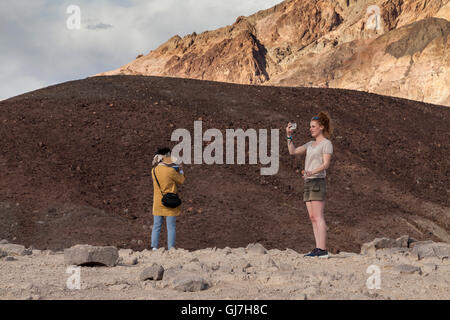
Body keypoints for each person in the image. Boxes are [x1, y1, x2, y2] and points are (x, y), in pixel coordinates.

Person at [286, 112, 333, 258]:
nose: (310, 129)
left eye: (313, 126)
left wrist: (312, 172)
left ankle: (323, 249)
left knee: (318, 216)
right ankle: (317, 248)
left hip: (317, 180)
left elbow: (326, 164)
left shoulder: (326, 144)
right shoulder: (310, 144)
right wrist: (289, 135)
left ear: (321, 127)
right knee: (312, 217)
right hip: (308, 181)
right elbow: (292, 151)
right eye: (310, 126)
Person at [151, 147, 185, 250]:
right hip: (170, 202)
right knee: (171, 227)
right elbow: (181, 180)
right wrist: (181, 169)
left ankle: (154, 248)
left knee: (156, 226)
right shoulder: (170, 171)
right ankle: (171, 248)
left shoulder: (153, 170)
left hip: (157, 202)